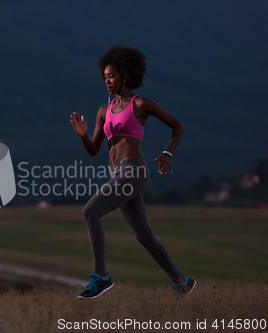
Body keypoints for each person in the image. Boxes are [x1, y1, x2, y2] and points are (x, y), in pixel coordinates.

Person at [70, 45, 195, 300]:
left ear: (125, 75)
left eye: (112, 76)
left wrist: (168, 152)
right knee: (144, 236)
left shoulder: (141, 104)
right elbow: (94, 149)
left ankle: (100, 277)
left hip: (133, 172)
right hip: (116, 174)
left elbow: (178, 126)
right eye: (104, 77)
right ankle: (182, 283)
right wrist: (83, 136)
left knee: (89, 211)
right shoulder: (103, 111)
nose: (107, 81)